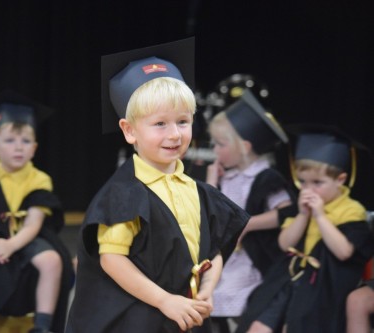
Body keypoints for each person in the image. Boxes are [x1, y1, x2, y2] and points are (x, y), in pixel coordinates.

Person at [66, 38, 249, 333]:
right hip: (139, 319)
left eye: (183, 122)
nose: (174, 134)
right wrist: (165, 300)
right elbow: (112, 259)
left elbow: (213, 252)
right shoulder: (123, 193)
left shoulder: (197, 191)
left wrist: (207, 290)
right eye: (160, 124)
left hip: (184, 315)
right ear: (129, 130)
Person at [0, 91, 74, 333]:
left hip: (26, 236)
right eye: (10, 141)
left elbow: (33, 223)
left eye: (25, 142)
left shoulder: (39, 179)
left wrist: (11, 245)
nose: (18, 148)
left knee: (51, 260)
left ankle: (42, 325)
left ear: (34, 148)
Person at [236, 125, 374, 333]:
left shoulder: (350, 211)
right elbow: (285, 243)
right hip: (290, 278)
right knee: (257, 326)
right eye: (303, 182)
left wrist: (319, 216)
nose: (309, 190)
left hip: (322, 288)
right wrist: (302, 215)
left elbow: (344, 251)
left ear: (340, 180)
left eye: (318, 182)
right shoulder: (302, 206)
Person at [205, 90, 296, 330]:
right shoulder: (226, 176)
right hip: (225, 258)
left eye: (221, 145)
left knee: (239, 302)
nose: (215, 151)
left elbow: (286, 212)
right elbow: (210, 214)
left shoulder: (266, 177)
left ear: (244, 147)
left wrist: (247, 224)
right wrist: (212, 183)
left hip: (253, 261)